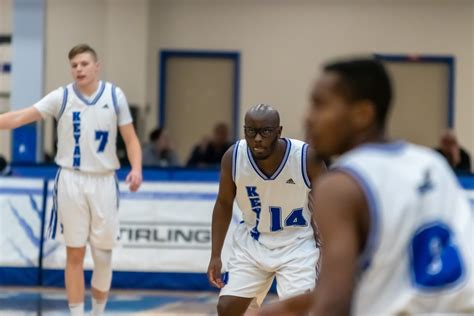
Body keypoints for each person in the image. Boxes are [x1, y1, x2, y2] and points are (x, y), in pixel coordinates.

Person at [252, 59, 474, 315]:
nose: (308, 117)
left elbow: (334, 304)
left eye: (319, 105)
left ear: (362, 115)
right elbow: (386, 286)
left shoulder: (341, 185)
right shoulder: (431, 164)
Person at [0, 44, 142, 316]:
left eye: (84, 64)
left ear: (96, 66)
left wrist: (136, 168)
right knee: (74, 254)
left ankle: (98, 312)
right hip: (70, 181)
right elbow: (20, 117)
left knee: (103, 257)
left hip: (103, 181)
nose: (79, 69)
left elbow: (131, 138)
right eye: (74, 65)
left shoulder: (114, 95)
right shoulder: (61, 97)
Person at [207, 104, 326, 316]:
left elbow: (329, 204)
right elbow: (224, 204)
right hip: (253, 242)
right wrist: (215, 254)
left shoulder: (306, 157)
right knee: (227, 308)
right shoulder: (233, 157)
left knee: (302, 311)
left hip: (297, 245)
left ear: (279, 132)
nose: (258, 139)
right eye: (251, 131)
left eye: (266, 131)